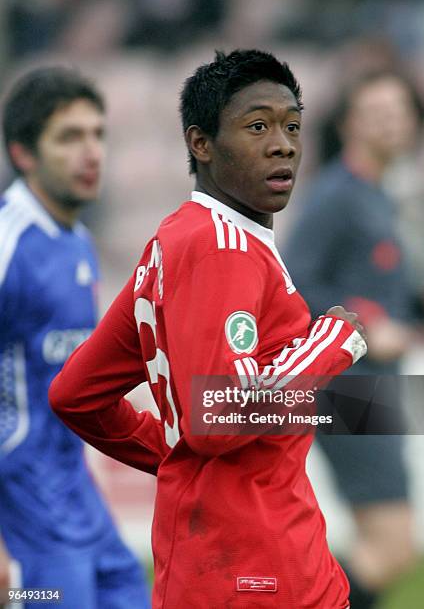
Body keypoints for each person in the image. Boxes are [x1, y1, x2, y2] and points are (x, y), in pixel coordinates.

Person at [49, 49, 368, 608]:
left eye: (292, 125)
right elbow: (218, 420)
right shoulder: (223, 247)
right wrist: (330, 344)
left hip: (216, 567)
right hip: (257, 576)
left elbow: (76, 394)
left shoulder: (174, 242)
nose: (283, 143)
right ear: (201, 144)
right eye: (257, 126)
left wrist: (178, 458)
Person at [0, 67, 150, 609]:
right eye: (69, 137)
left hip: (75, 493)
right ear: (23, 153)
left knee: (135, 593)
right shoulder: (8, 242)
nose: (92, 153)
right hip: (22, 505)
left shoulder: (78, 244)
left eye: (97, 134)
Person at [284, 71, 420, 608]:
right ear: (349, 124)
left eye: (399, 109)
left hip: (375, 386)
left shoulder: (380, 196)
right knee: (392, 548)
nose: (391, 120)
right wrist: (367, 323)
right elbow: (295, 285)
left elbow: (376, 285)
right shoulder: (336, 195)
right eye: (376, 110)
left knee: (387, 546)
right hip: (347, 387)